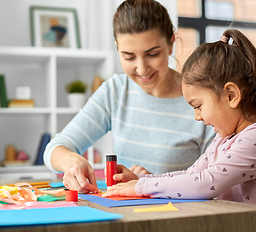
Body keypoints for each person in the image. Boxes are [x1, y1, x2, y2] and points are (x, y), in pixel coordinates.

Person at [103, 29, 256, 207]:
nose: (197, 116)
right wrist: (141, 181)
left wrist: (140, 187)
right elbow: (192, 176)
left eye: (198, 106)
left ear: (231, 95)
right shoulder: (225, 138)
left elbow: (206, 183)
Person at [43, 0, 215, 194]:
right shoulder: (115, 91)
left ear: (171, 44)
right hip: (124, 216)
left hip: (182, 218)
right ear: (117, 48)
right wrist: (72, 161)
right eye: (129, 57)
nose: (141, 69)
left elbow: (214, 181)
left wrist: (150, 183)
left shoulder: (201, 100)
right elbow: (55, 149)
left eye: (152, 54)